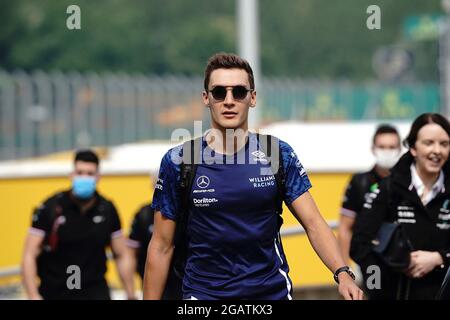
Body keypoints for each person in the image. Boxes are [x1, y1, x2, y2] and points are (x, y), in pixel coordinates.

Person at [143, 52, 363, 300]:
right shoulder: (180, 160)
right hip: (204, 295)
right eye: (219, 92)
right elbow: (161, 245)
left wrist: (343, 273)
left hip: (270, 293)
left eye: (238, 92)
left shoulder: (276, 153)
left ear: (252, 98)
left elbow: (313, 222)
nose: (229, 101)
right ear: (206, 98)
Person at [350, 113, 450, 300]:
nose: (437, 150)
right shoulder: (388, 189)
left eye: (444, 144)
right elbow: (359, 246)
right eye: (428, 143)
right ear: (413, 147)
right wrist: (378, 289)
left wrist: (439, 258)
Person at [21, 149, 136, 300]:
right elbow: (29, 254)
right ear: (72, 175)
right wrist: (33, 295)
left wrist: (130, 293)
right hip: (55, 291)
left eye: (90, 174)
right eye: (80, 172)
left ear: (98, 177)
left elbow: (121, 255)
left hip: (94, 291)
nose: (84, 177)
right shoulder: (51, 208)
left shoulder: (107, 209)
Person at [338, 125, 401, 265]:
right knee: (375, 286)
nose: (387, 151)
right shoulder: (359, 182)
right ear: (373, 149)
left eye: (392, 147)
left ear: (400, 149)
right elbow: (345, 228)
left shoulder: (408, 182)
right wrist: (345, 270)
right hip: (371, 261)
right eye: (382, 147)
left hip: (403, 261)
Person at [127, 201, 182, 299]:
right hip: (153, 281)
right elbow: (131, 254)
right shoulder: (143, 214)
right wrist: (130, 291)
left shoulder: (188, 212)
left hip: (183, 280)